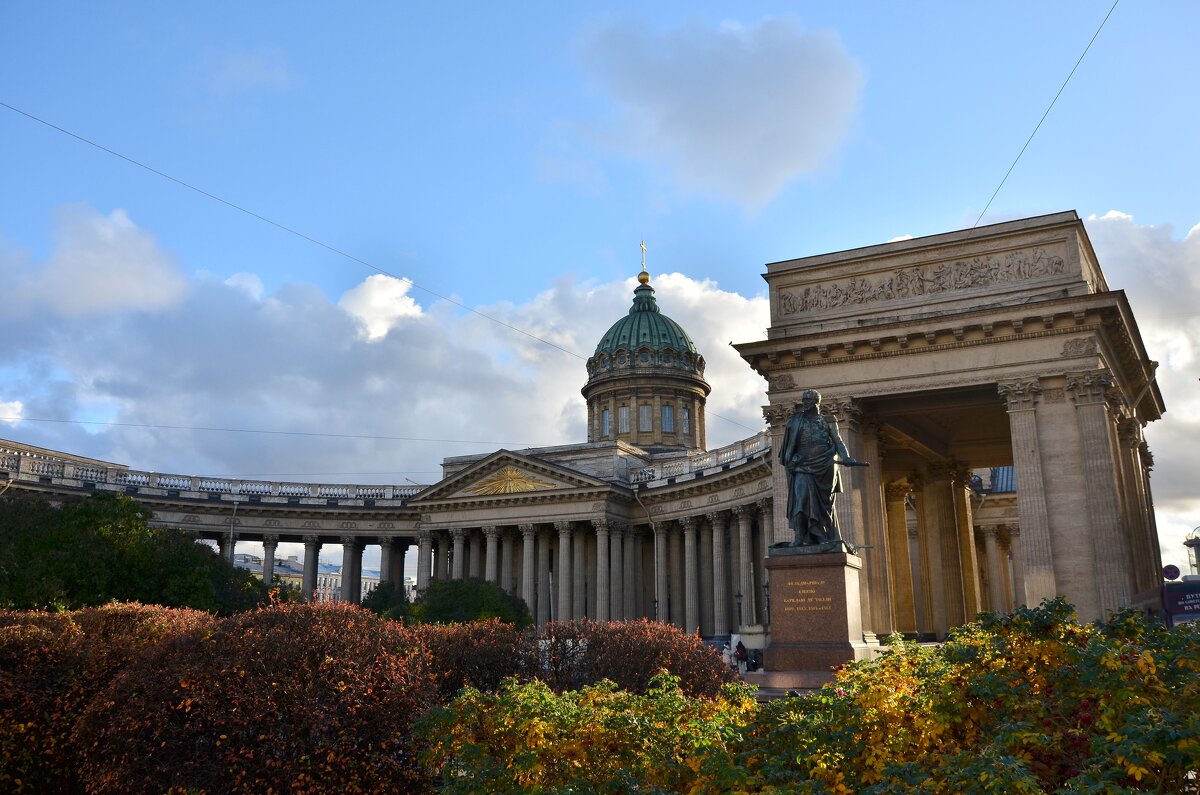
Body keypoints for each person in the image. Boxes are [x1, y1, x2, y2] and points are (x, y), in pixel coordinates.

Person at [779, 389, 867, 547]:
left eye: (808, 401)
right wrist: (791, 459)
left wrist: (845, 457)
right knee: (800, 501)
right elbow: (788, 448)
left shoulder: (828, 421)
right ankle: (799, 537)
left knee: (823, 506)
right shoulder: (795, 421)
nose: (805, 403)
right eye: (804, 400)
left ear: (816, 402)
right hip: (802, 466)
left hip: (824, 466)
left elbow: (838, 441)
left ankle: (821, 536)